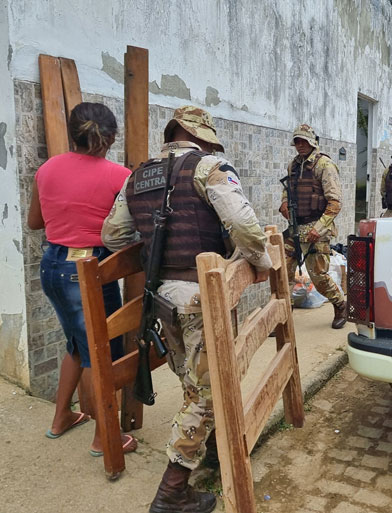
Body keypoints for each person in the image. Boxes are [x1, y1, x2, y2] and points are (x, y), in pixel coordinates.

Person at [102, 105, 272, 513]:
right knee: (208, 391)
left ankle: (211, 450)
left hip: (160, 297)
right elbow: (246, 227)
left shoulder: (137, 176)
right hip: (201, 298)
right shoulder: (208, 166)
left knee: (193, 381)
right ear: (200, 137)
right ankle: (172, 491)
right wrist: (262, 264)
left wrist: (151, 244)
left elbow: (112, 236)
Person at [27, 102, 137, 457]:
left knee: (77, 343)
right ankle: (106, 436)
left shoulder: (45, 170)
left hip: (52, 267)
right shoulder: (120, 176)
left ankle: (61, 419)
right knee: (103, 353)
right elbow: (127, 231)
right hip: (92, 270)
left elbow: (34, 222)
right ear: (112, 138)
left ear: (73, 134)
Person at [279, 124, 347, 329]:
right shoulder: (293, 165)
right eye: (297, 141)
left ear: (312, 142)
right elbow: (288, 190)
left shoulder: (324, 165)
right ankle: (284, 317)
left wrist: (319, 228)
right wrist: (283, 202)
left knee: (318, 276)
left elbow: (335, 202)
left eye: (303, 141)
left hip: (317, 229)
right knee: (283, 272)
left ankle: (340, 304)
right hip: (295, 228)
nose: (300, 145)